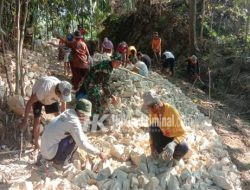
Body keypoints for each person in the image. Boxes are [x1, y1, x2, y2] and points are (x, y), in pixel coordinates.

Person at [40, 99, 106, 165]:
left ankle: (58, 158)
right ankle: (62, 161)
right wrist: (98, 153)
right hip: (50, 154)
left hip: (45, 150)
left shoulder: (69, 112)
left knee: (75, 134)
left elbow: (81, 135)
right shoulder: (74, 122)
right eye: (86, 116)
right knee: (75, 139)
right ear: (81, 113)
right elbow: (82, 144)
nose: (87, 118)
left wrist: (91, 145)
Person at [19, 76, 72, 149]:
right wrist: (25, 120)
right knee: (37, 120)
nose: (62, 99)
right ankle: (36, 144)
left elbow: (63, 110)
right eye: (62, 97)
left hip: (51, 99)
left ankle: (57, 140)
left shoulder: (63, 91)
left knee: (58, 116)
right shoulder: (45, 88)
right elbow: (29, 102)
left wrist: (65, 124)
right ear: (57, 91)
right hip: (39, 98)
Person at [142, 90, 188, 164]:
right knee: (153, 127)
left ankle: (175, 161)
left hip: (174, 138)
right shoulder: (153, 115)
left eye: (149, 108)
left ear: (156, 106)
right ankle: (160, 154)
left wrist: (173, 144)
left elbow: (183, 133)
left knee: (184, 147)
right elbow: (151, 133)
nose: (149, 111)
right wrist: (152, 148)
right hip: (164, 137)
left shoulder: (171, 111)